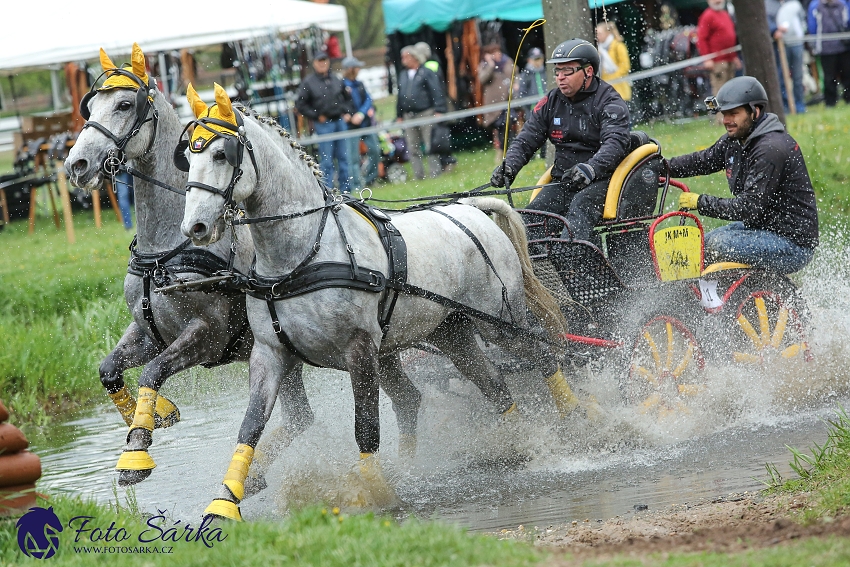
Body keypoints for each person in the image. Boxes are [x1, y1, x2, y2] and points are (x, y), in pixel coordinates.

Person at [671, 76, 818, 274]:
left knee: (719, 244)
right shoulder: (737, 139)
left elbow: (749, 208)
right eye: (724, 114)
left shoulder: (770, 149)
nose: (726, 121)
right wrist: (659, 167)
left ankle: (727, 299)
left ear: (755, 111)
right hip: (762, 228)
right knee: (700, 245)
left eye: (733, 113)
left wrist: (700, 202)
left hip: (792, 244)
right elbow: (702, 160)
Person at [490, 39, 631, 243]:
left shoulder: (609, 101)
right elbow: (526, 140)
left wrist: (590, 169)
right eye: (557, 72)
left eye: (567, 72)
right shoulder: (551, 102)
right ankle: (545, 271)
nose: (560, 78)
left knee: (577, 216)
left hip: (604, 182)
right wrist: (509, 166)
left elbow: (615, 144)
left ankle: (575, 266)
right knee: (528, 224)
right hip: (565, 182)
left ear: (588, 71)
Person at [295, 51, 354, 193]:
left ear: (328, 62)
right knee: (327, 161)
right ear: (314, 63)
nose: (322, 63)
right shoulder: (309, 82)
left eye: (325, 60)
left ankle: (346, 191)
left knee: (344, 158)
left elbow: (347, 98)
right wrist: (316, 115)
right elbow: (300, 104)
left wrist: (346, 111)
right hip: (324, 124)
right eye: (319, 61)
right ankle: (328, 191)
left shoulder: (335, 79)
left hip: (339, 122)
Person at [396, 45, 447, 179]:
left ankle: (434, 173)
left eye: (405, 56)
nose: (403, 60)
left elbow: (436, 91)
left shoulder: (426, 72)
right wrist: (399, 114)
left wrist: (439, 109)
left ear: (413, 57)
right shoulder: (402, 75)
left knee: (430, 145)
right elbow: (400, 96)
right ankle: (418, 175)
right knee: (413, 147)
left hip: (425, 112)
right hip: (409, 115)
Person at [415, 41, 458, 172]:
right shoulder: (430, 64)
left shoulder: (429, 66)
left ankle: (448, 161)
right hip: (436, 104)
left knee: (439, 136)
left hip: (437, 105)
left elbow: (435, 87)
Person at [697, 0, 742, 122]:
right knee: (717, 91)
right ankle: (717, 118)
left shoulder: (725, 13)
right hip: (717, 61)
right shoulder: (707, 16)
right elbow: (701, 39)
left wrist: (734, 57)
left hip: (728, 60)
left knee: (730, 91)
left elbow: (729, 36)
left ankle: (730, 116)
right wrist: (707, 58)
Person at [341, 56, 381, 188]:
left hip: (365, 124)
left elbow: (368, 99)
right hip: (350, 127)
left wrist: (361, 114)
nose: (359, 69)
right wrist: (347, 115)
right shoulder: (341, 85)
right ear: (351, 69)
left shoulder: (360, 84)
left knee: (375, 150)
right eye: (357, 67)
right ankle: (356, 185)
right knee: (353, 157)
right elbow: (339, 103)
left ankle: (370, 179)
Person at [478, 43, 516, 164]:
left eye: (498, 51)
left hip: (508, 100)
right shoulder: (484, 66)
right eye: (493, 52)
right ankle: (501, 152)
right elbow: (482, 79)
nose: (497, 54)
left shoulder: (507, 61)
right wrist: (490, 65)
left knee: (508, 125)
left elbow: (515, 74)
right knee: (499, 127)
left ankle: (509, 152)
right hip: (494, 102)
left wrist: (516, 84)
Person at [807, 0, 850, 107]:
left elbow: (846, 22)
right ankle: (830, 102)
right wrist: (815, 46)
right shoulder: (816, 6)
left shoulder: (842, 4)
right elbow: (812, 27)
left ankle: (848, 98)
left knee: (847, 75)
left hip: (843, 46)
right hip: (826, 48)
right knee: (829, 77)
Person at [774, 0, 808, 113]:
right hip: (781, 45)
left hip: (797, 43)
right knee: (782, 77)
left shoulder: (795, 3)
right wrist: (774, 29)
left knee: (798, 77)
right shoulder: (769, 4)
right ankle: (786, 106)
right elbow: (766, 20)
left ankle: (800, 105)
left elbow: (803, 20)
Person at [517, 47, 548, 159]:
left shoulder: (546, 71)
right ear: (529, 60)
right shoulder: (526, 74)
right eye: (535, 59)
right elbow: (522, 92)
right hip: (532, 108)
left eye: (539, 58)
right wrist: (527, 106)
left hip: (546, 107)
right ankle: (532, 154)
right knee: (532, 132)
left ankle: (544, 153)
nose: (538, 61)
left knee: (546, 130)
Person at [595, 21, 632, 102]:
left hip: (620, 90)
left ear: (607, 33)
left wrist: (612, 80)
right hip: (607, 93)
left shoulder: (618, 46)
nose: (597, 36)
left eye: (600, 34)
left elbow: (625, 67)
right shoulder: (600, 50)